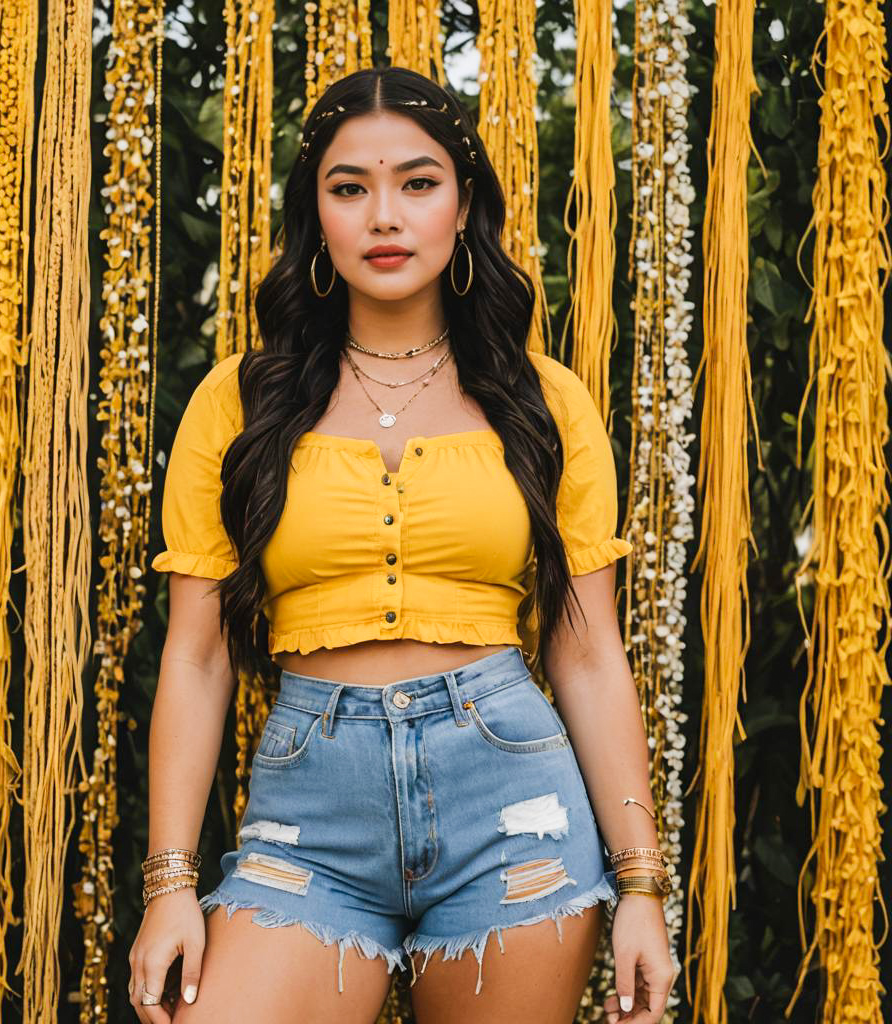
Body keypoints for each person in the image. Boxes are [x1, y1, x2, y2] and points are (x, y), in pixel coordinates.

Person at [129, 65, 678, 1024]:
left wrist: (642, 887)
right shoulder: (241, 402)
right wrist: (170, 881)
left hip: (514, 808)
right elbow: (198, 652)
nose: (385, 215)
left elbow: (588, 652)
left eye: (418, 183)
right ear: (318, 216)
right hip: (308, 817)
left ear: (464, 208)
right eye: (350, 188)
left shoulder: (544, 404)